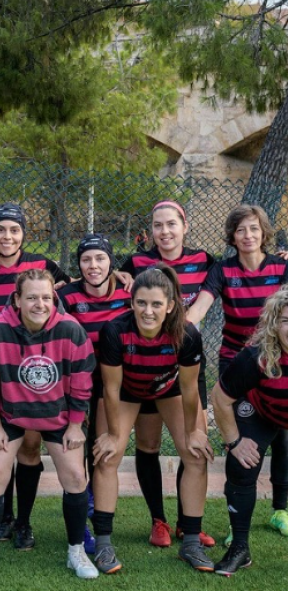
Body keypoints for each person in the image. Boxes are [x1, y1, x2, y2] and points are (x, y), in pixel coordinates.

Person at [0, 269, 97, 580]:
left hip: (58, 417)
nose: (40, 304)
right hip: (10, 415)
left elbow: (82, 382)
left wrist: (75, 426)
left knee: (77, 477)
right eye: (31, 298)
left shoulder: (71, 330)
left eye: (46, 297)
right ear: (17, 300)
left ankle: (75, 550)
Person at [92, 266, 214, 574]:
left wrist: (192, 432)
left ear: (170, 305)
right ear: (131, 302)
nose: (148, 311)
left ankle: (190, 544)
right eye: (141, 303)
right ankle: (104, 544)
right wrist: (114, 436)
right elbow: (111, 387)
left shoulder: (186, 333)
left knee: (196, 455)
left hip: (169, 388)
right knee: (107, 457)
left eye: (156, 304)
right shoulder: (115, 331)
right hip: (126, 392)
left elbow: (188, 388)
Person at [0, 202, 71, 550]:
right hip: (0, 375)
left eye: (14, 229)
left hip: (40, 375)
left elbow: (76, 291)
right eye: (0, 229)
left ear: (24, 233)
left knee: (29, 446)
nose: (7, 236)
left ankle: (24, 521)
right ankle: (4, 518)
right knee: (2, 446)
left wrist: (122, 277)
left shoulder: (43, 266)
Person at [186, 204, 288, 542]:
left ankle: (280, 510)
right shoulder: (222, 270)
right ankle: (236, 525)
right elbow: (200, 307)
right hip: (237, 364)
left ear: (264, 233)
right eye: (241, 229)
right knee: (243, 442)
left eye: (254, 229)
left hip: (277, 363)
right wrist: (177, 326)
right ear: (232, 235)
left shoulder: (280, 267)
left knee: (283, 435)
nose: (248, 235)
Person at [120, 200, 216, 548]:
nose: (165, 231)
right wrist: (120, 276)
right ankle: (158, 520)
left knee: (194, 443)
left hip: (186, 366)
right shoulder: (135, 263)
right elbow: (112, 282)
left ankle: (188, 523)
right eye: (158, 225)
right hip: (145, 368)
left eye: (171, 224)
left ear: (184, 225)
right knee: (148, 445)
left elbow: (236, 269)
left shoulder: (204, 260)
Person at [58, 233, 131, 552]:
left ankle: (96, 515)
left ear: (111, 261)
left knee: (102, 452)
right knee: (76, 452)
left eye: (100, 258)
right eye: (86, 259)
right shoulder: (69, 296)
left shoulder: (129, 292)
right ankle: (80, 521)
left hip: (115, 383)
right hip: (77, 382)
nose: (93, 265)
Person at [211, 289, 288, 575]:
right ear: (273, 324)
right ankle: (240, 548)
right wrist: (234, 441)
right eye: (286, 321)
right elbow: (220, 397)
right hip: (261, 411)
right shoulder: (256, 357)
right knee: (241, 465)